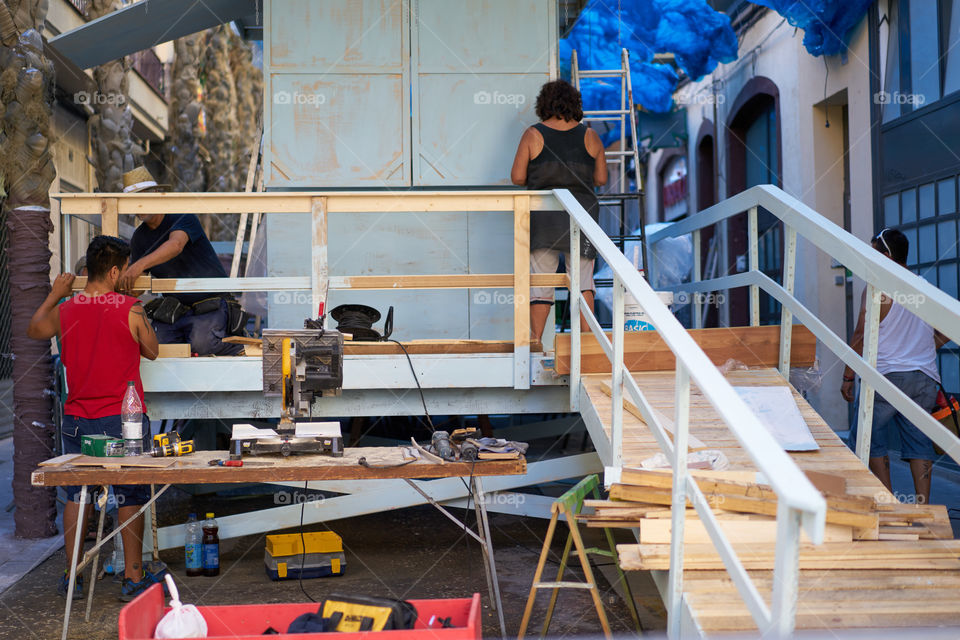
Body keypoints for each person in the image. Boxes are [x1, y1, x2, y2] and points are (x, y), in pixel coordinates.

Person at [27, 235, 163, 601]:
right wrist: (139, 309)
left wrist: (57, 293)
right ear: (116, 270)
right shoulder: (130, 308)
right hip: (122, 420)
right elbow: (152, 351)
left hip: (76, 417)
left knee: (78, 492)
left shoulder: (67, 309)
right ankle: (133, 577)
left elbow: (34, 329)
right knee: (129, 494)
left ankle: (72, 576)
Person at [843, 228, 949, 504]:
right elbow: (947, 329)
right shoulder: (924, 287)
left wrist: (847, 375)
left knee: (869, 439)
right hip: (923, 378)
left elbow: (860, 333)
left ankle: (889, 504)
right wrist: (922, 349)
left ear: (886, 254)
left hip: (886, 377)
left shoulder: (879, 287)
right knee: (919, 444)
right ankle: (922, 507)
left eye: (874, 250)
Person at [511, 79, 607, 342]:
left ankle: (536, 341)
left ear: (545, 104)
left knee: (541, 284)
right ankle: (587, 344)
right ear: (575, 104)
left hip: (544, 220)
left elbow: (518, 177)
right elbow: (600, 179)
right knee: (584, 282)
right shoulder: (591, 136)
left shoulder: (533, 134)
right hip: (582, 218)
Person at [117, 166, 243, 356]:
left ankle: (244, 350)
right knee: (154, 347)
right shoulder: (139, 238)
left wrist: (138, 265)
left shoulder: (181, 216)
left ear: (158, 194)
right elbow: (138, 285)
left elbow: (176, 245)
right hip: (175, 310)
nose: (137, 205)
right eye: (132, 200)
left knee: (202, 345)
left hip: (212, 303)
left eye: (142, 197)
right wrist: (118, 288)